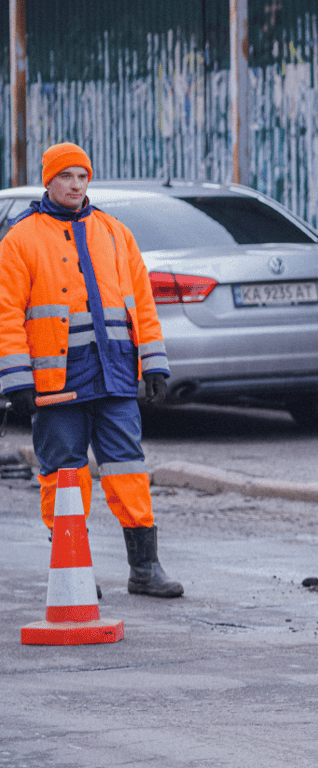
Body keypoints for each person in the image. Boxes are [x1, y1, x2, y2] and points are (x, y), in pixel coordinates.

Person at [0, 142, 182, 598]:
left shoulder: (115, 233)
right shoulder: (20, 239)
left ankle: (145, 568)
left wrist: (154, 364)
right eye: (66, 177)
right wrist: (17, 380)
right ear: (49, 180)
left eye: (83, 177)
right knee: (65, 475)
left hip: (116, 376)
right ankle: (73, 569)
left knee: (129, 470)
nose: (76, 185)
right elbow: (6, 316)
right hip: (56, 383)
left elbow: (142, 305)